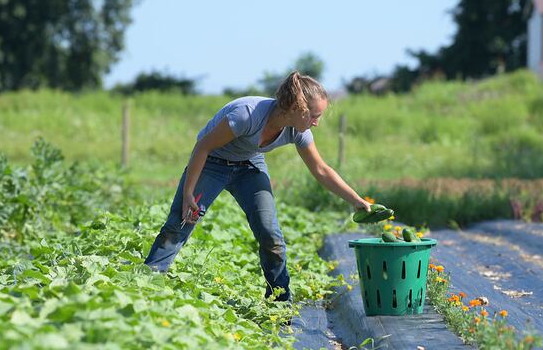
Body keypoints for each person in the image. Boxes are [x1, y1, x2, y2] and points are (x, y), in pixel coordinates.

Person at [143, 71, 372, 302]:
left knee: (270, 233)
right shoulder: (246, 115)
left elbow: (321, 170)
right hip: (212, 162)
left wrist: (356, 200)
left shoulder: (298, 131)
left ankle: (279, 301)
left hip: (250, 165)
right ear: (295, 108)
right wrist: (189, 193)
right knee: (180, 222)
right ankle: (148, 284)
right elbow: (202, 147)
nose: (317, 122)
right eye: (314, 115)